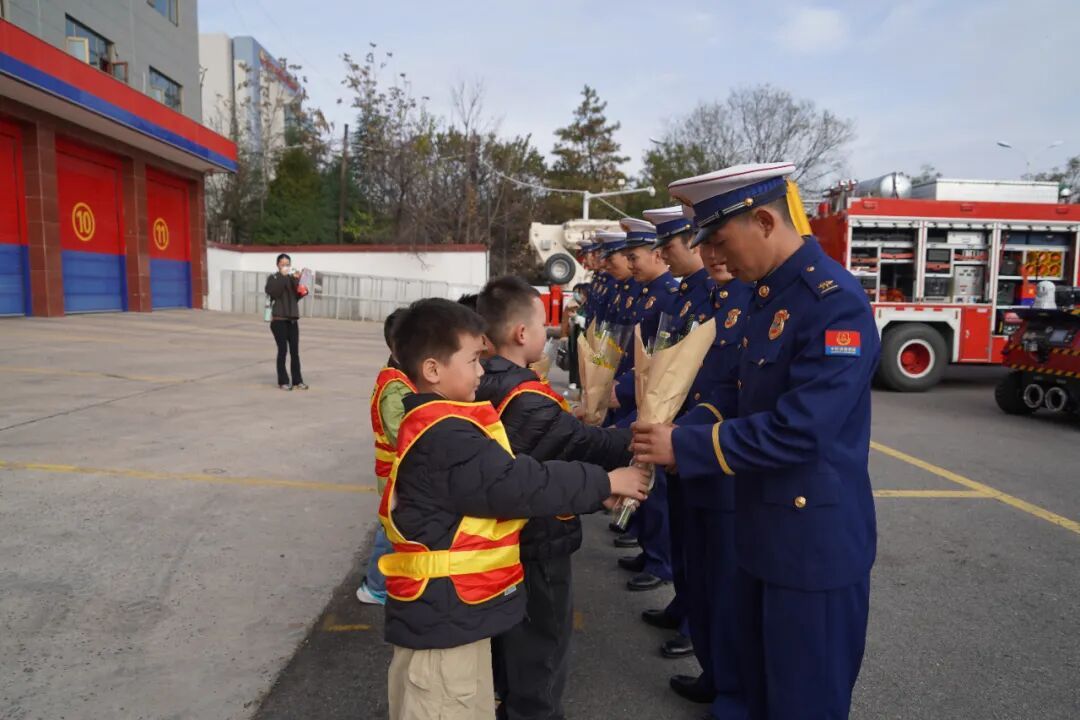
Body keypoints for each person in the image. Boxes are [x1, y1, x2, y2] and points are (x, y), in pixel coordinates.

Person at [633, 162, 880, 720]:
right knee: (755, 690)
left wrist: (686, 448)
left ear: (765, 222)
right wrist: (670, 432)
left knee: (801, 700)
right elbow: (733, 391)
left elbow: (801, 428)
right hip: (761, 529)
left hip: (811, 545)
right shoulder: (765, 296)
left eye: (720, 242)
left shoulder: (833, 302)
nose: (712, 257)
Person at [380, 298, 650, 720]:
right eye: (472, 360)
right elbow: (520, 482)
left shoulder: (442, 423)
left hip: (450, 617)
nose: (481, 371)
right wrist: (606, 482)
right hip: (445, 629)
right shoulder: (447, 435)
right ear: (432, 370)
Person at [474, 276, 633, 720]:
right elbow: (585, 446)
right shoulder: (528, 398)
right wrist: (647, 438)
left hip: (500, 541)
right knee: (541, 648)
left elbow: (558, 435)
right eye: (543, 323)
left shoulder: (483, 379)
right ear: (521, 333)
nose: (548, 331)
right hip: (539, 541)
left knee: (509, 646)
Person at [649, 205, 755, 714]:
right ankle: (714, 674)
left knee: (725, 587)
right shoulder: (712, 297)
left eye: (719, 243)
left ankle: (728, 686)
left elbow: (738, 394)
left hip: (722, 463)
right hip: (690, 446)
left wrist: (684, 437)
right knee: (700, 569)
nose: (712, 255)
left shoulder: (752, 300)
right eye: (704, 244)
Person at [611, 217, 680, 594]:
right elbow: (621, 345)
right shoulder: (639, 291)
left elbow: (660, 357)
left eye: (632, 257)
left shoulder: (669, 293)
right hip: (628, 391)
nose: (627, 264)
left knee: (657, 488)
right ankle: (648, 546)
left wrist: (621, 389)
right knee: (642, 479)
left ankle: (660, 560)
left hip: (647, 397)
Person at [357, 308, 414, 606]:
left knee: (395, 527)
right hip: (393, 471)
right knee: (390, 531)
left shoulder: (401, 376)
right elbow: (400, 434)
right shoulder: (394, 388)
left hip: (398, 471)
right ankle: (375, 587)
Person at [265, 253, 307, 391]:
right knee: (282, 350)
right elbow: (273, 292)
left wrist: (300, 280)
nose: (285, 266)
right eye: (283, 264)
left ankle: (297, 381)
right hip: (279, 320)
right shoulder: (273, 278)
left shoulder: (291, 278)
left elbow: (299, 295)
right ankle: (283, 381)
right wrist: (283, 277)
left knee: (295, 352)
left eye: (287, 264)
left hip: (292, 320)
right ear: (278, 265)